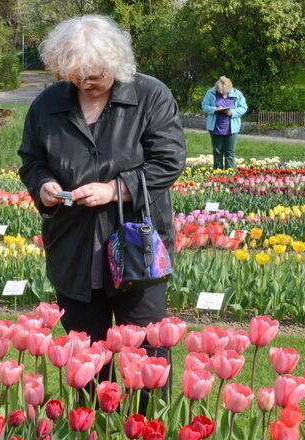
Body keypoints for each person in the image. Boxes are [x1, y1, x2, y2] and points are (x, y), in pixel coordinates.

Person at [18, 15, 185, 403]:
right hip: (73, 244)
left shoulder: (150, 96)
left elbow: (168, 161)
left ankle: (148, 437)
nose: (85, 83)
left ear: (117, 62)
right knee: (85, 353)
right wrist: (43, 185)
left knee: (146, 351)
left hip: (136, 245)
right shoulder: (48, 103)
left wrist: (114, 189)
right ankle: (91, 437)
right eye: (75, 75)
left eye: (95, 75)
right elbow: (31, 159)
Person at [201, 76, 247, 170]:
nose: (222, 94)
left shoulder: (237, 94)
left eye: (225, 92)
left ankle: (229, 174)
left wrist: (232, 112)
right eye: (220, 92)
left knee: (230, 152)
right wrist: (215, 109)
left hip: (231, 128)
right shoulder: (211, 92)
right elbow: (204, 106)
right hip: (215, 127)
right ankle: (217, 174)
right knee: (217, 153)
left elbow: (243, 108)